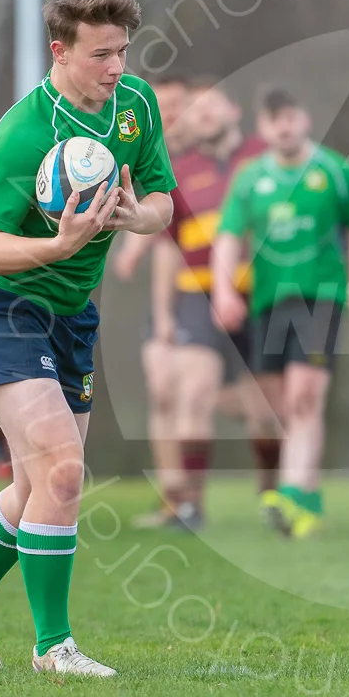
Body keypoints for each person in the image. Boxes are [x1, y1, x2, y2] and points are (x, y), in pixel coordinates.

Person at [0, 0, 175, 677]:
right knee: (63, 468)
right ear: (60, 52)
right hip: (1, 304)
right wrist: (58, 247)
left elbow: (162, 203)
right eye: (101, 54)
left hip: (72, 313)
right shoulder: (24, 132)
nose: (117, 67)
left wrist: (134, 216)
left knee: (44, 484)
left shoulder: (136, 106)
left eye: (123, 50)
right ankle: (54, 648)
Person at [211, 86, 349, 540]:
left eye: (291, 116)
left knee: (305, 397)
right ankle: (308, 490)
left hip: (321, 296)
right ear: (263, 128)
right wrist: (223, 290)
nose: (284, 126)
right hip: (267, 301)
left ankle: (292, 496)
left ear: (305, 119)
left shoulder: (333, 171)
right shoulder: (250, 179)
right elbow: (228, 236)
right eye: (274, 119)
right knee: (278, 406)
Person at [141, 79, 273, 529]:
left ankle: (273, 491)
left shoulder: (264, 157)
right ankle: (191, 505)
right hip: (196, 295)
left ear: (234, 109)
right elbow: (165, 248)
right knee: (192, 391)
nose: (204, 113)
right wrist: (163, 314)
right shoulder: (176, 172)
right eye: (195, 109)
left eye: (212, 104)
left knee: (267, 410)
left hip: (262, 296)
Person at [111, 73, 198, 529]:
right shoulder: (151, 158)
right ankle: (176, 497)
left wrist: (137, 246)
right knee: (164, 389)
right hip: (175, 298)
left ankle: (276, 488)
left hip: (224, 295)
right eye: (163, 107)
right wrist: (134, 247)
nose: (173, 116)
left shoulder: (206, 161)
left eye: (180, 105)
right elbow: (163, 230)